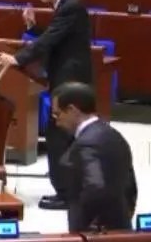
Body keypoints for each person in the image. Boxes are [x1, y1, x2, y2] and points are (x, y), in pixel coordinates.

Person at [0, 0, 94, 211]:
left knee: (58, 133)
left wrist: (18, 59)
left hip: (69, 80)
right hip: (67, 78)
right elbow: (56, 36)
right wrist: (31, 28)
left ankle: (66, 194)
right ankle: (68, 190)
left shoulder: (70, 5)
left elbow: (50, 40)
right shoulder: (67, 4)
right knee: (61, 134)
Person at [49, 82, 137, 232]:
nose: (56, 121)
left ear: (72, 110)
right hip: (121, 226)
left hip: (94, 235)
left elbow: (95, 186)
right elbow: (130, 185)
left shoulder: (86, 144)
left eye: (58, 114)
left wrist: (83, 222)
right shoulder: (113, 135)